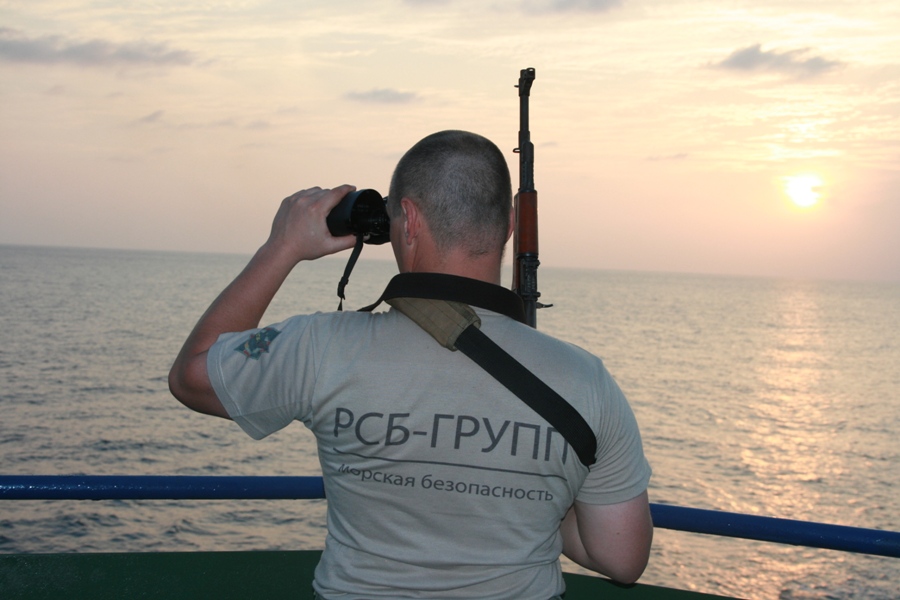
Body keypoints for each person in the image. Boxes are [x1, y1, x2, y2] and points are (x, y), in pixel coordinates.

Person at [169, 130, 653, 599]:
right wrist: (541, 486)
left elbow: (192, 376)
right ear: (509, 226)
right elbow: (621, 558)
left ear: (409, 220)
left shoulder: (322, 347)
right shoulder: (585, 380)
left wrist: (282, 246)